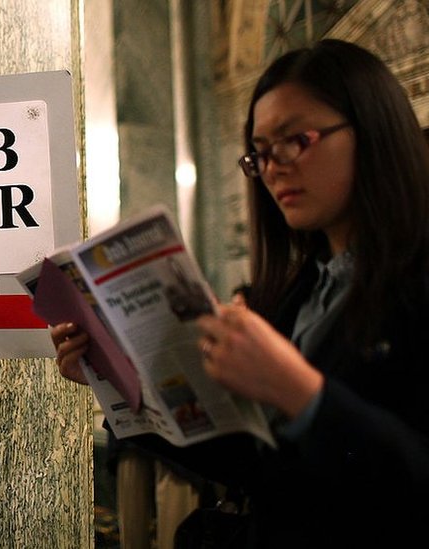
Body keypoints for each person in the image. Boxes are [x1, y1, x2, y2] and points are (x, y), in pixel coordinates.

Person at [53, 39, 429, 547]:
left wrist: (298, 391)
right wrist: (119, 381)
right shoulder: (304, 289)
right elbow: (257, 465)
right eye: (260, 153)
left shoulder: (415, 278)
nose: (273, 167)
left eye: (296, 140)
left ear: (373, 130)